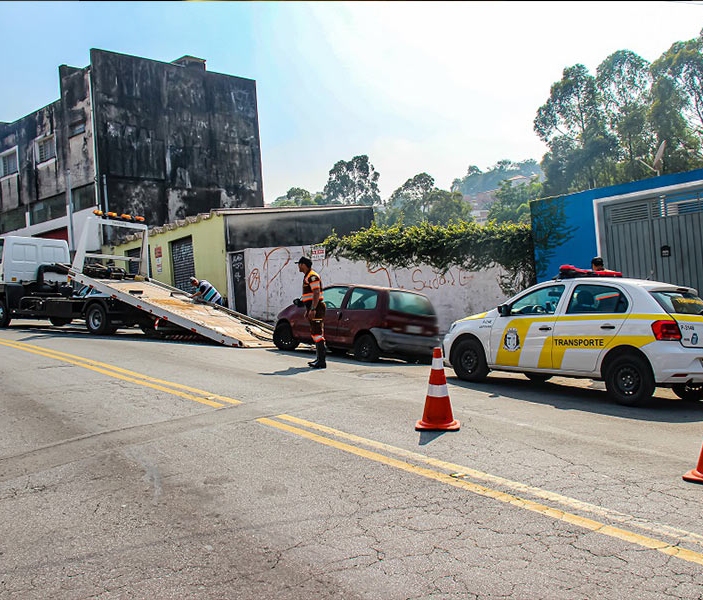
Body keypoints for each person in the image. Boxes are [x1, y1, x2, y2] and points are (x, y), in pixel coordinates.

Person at [297, 256, 327, 369]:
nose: (298, 267)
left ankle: (321, 361)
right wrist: (308, 310)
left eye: (299, 264)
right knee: (315, 332)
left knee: (317, 333)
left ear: (303, 264)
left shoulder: (312, 276)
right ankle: (319, 359)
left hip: (317, 307)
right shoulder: (307, 276)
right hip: (313, 307)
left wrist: (313, 309)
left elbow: (316, 292)